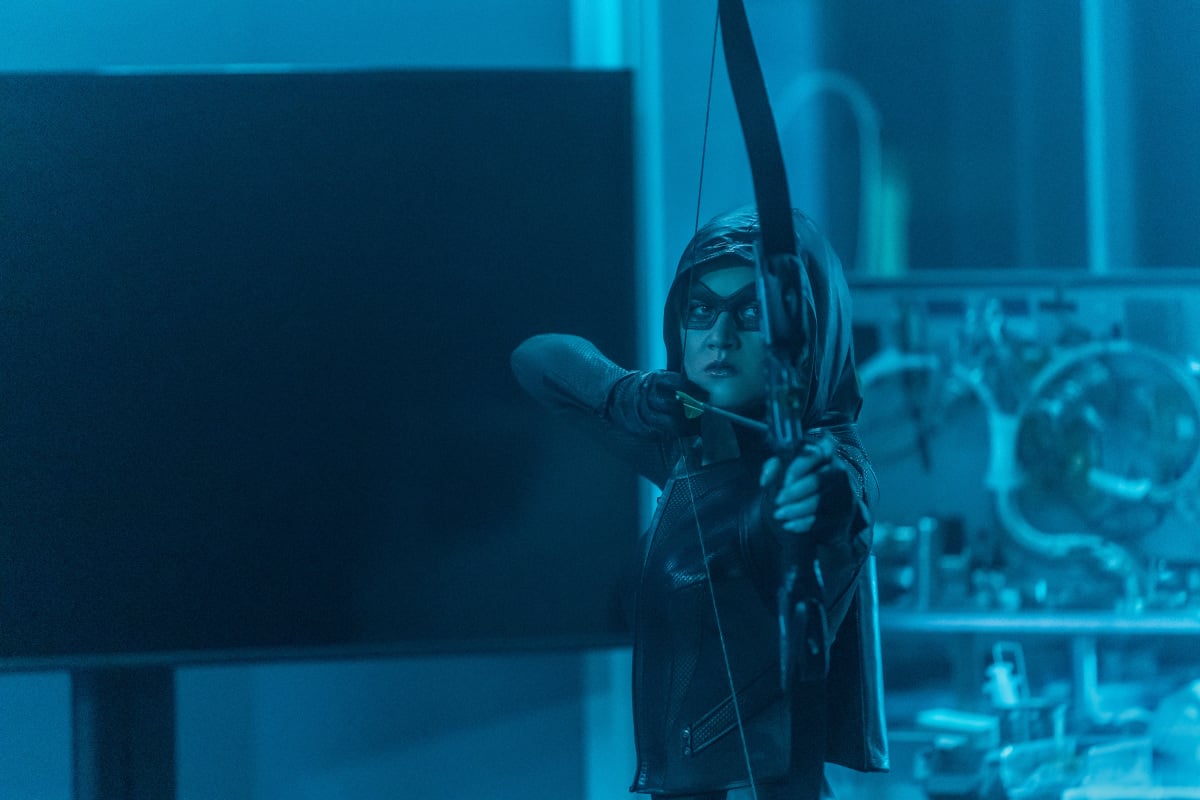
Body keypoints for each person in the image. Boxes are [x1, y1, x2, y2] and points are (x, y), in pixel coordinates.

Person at [511, 207, 880, 799]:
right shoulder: (694, 444)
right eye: (700, 310)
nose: (719, 336)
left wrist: (816, 489)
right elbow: (536, 360)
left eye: (754, 313)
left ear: (805, 337)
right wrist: (628, 394)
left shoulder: (830, 462)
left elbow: (835, 499)